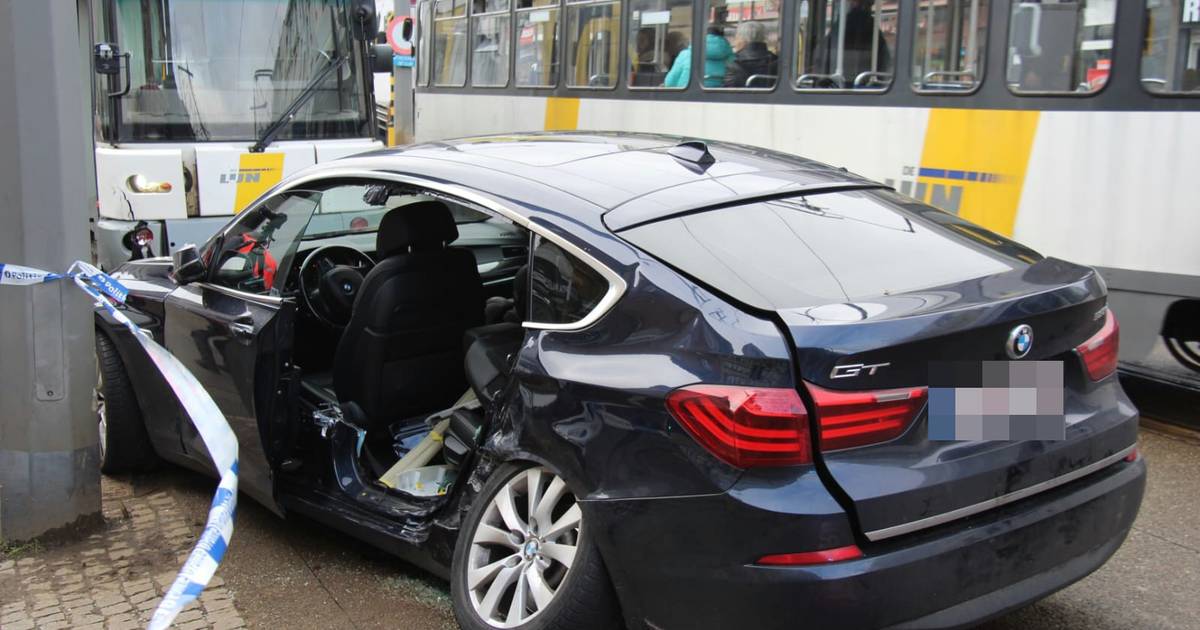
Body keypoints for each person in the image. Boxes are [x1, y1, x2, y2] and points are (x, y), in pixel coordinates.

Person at [663, 27, 732, 88]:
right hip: (717, 97)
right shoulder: (730, 57)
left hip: (685, 97)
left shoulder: (685, 55)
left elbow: (669, 83)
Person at [723, 21, 777, 88]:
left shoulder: (733, 66)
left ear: (743, 40)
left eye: (736, 38)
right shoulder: (776, 61)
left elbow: (729, 92)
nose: (734, 43)